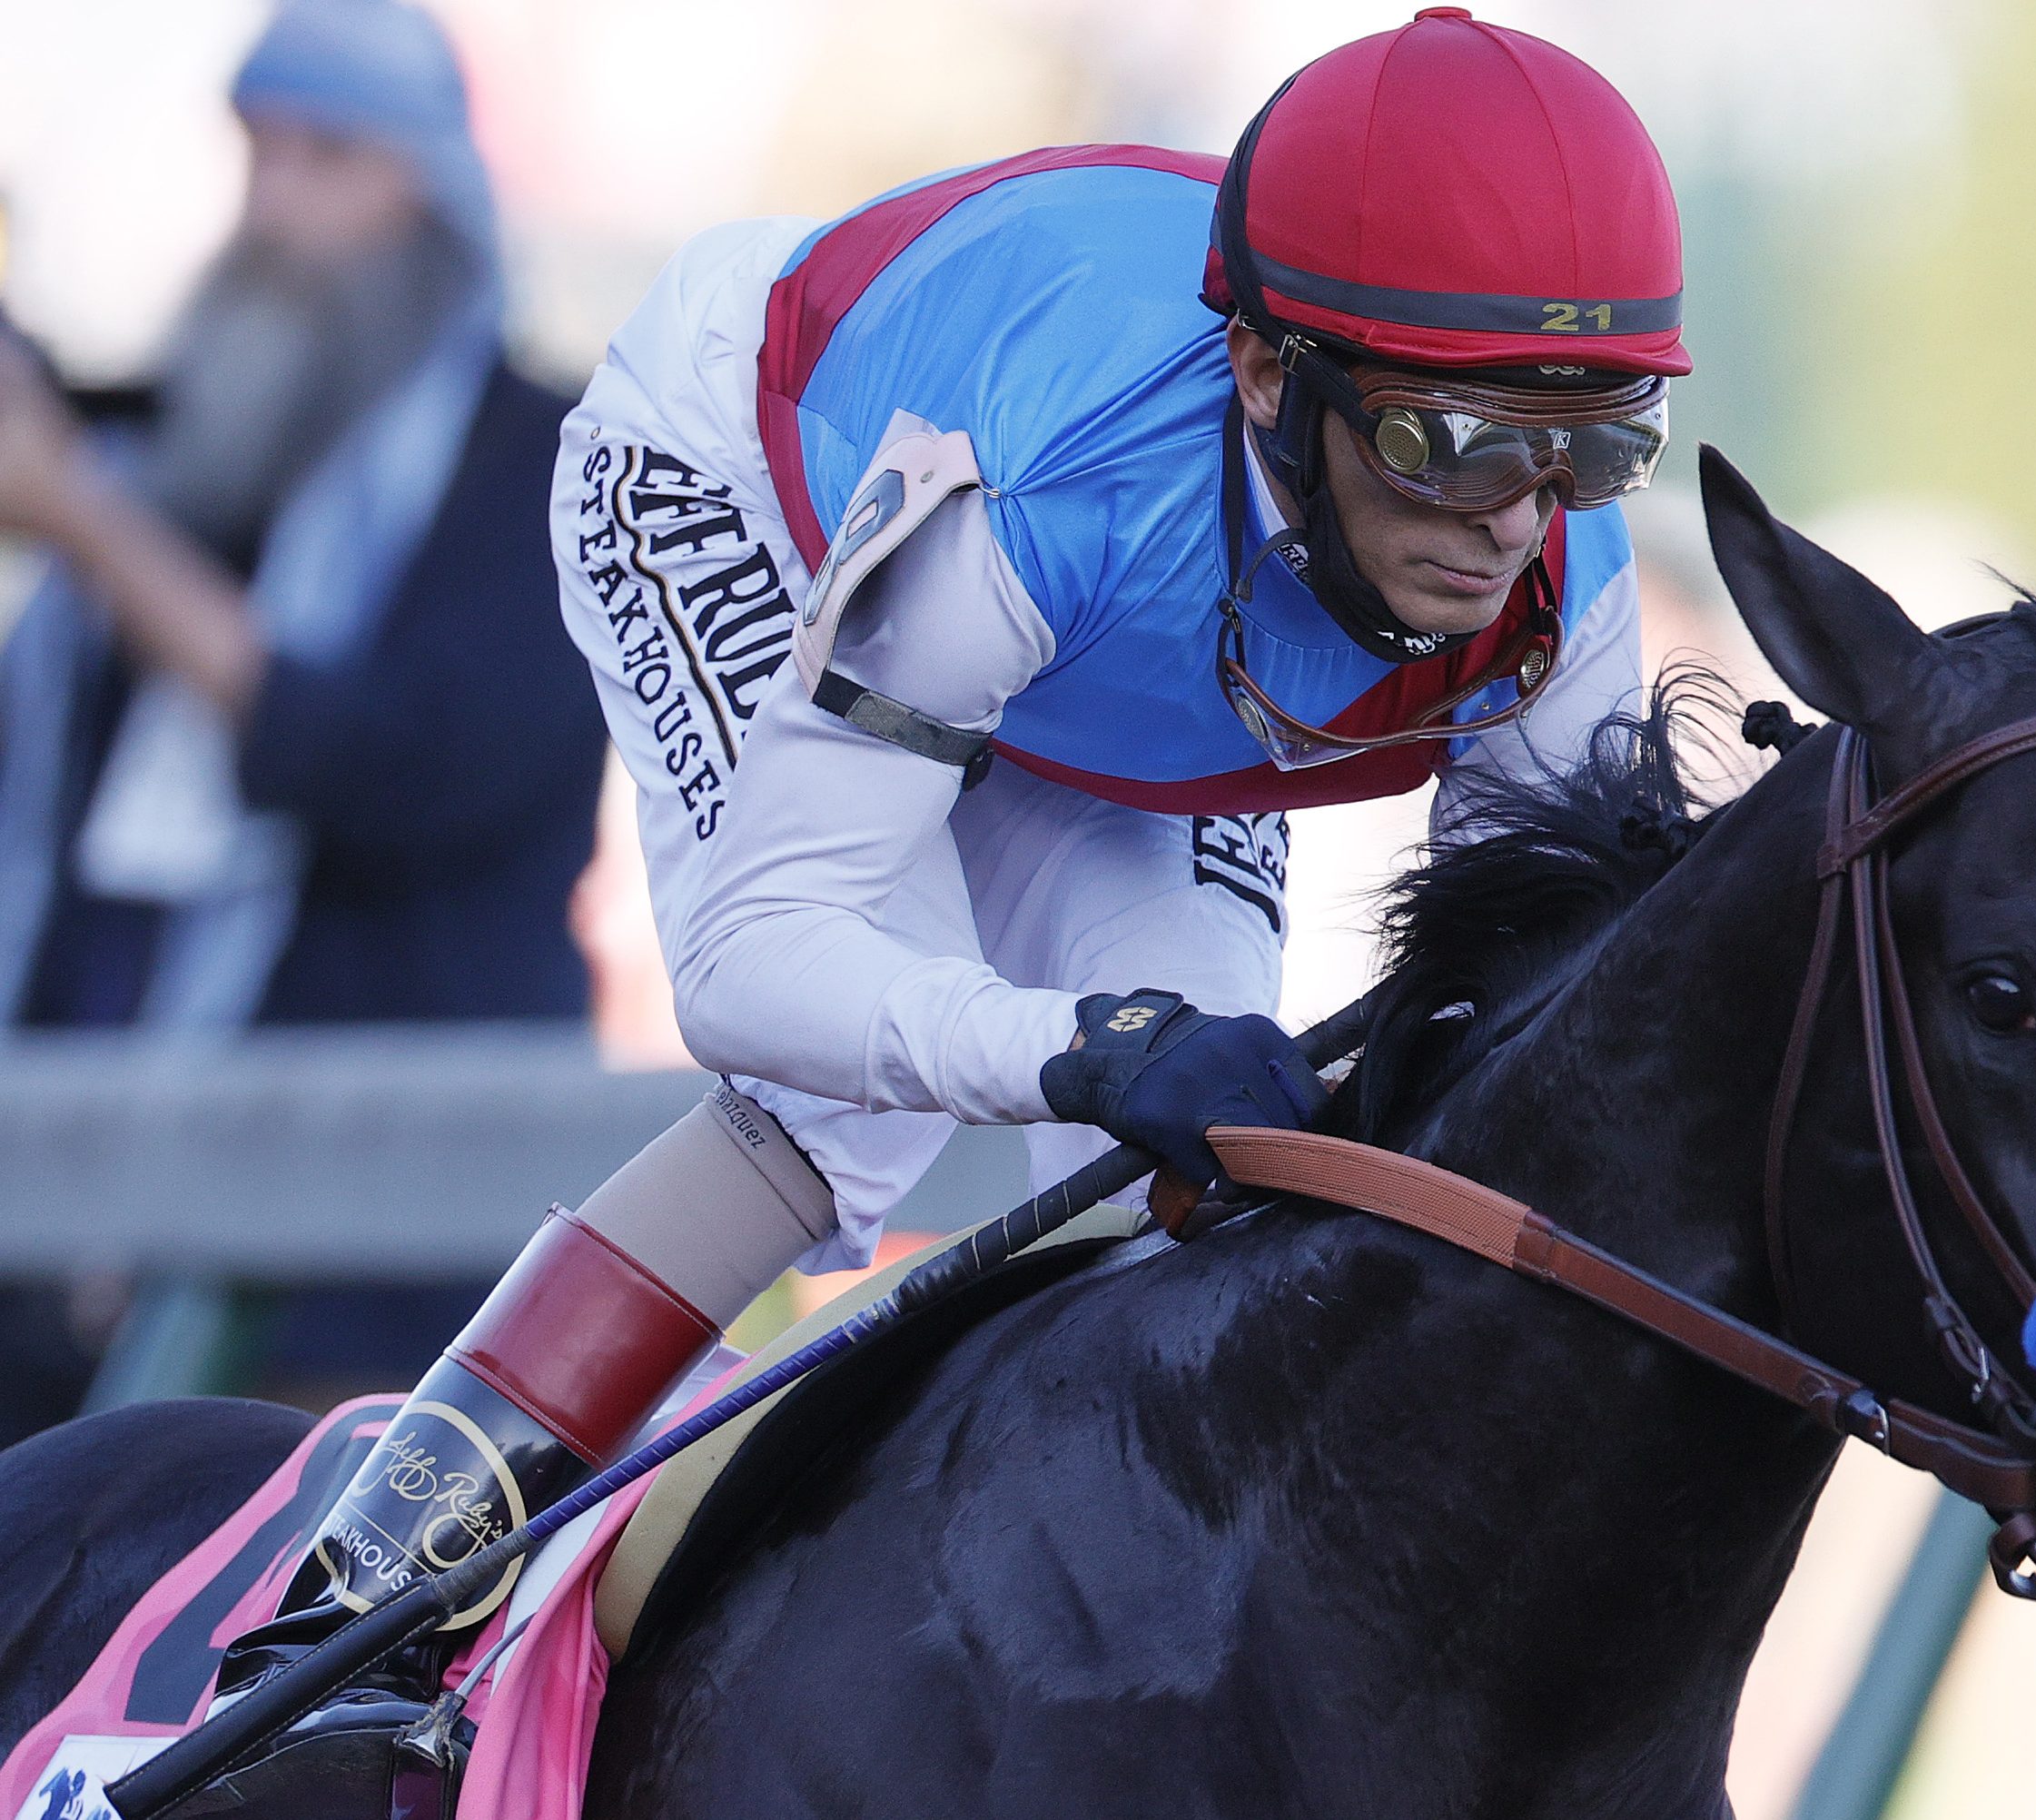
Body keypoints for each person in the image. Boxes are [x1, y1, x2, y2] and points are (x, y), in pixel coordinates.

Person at [206, 7, 1685, 1800]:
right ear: (1274, 381)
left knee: (1218, 1155)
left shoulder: (1558, 575)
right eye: (1450, 441)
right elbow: (760, 967)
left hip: (1121, 647)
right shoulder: (1049, 484)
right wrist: (1081, 1048)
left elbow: (1550, 1018)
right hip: (756, 480)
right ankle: (345, 1622)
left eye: (1592, 446)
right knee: (849, 1103)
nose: (1514, 523)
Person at [0, 0, 605, 1450]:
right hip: (92, 1221)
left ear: (432, 193)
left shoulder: (541, 456)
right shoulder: (204, 450)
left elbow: (401, 768)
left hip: (378, 1278)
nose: (273, 206)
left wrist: (87, 521)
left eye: (326, 156)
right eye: (256, 154)